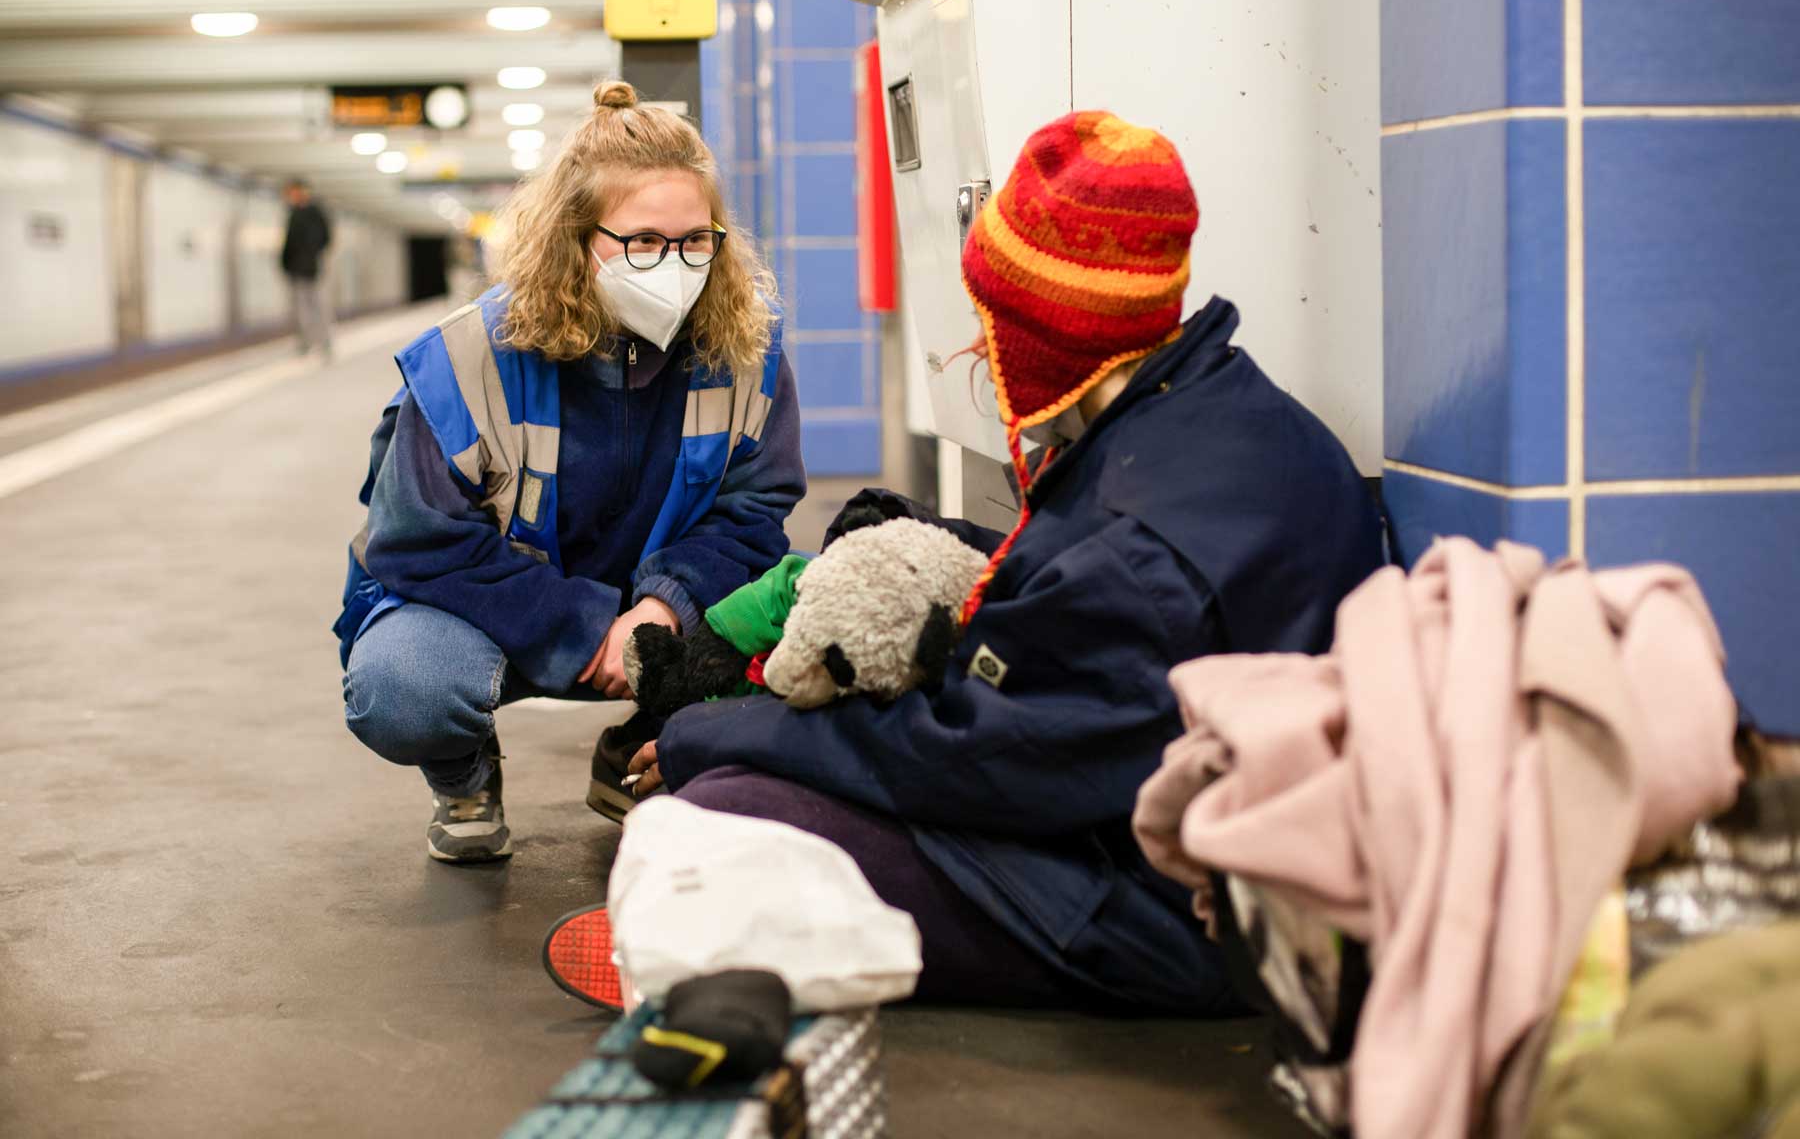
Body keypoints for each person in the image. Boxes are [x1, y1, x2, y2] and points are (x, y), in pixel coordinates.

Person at [614, 111, 1386, 1012]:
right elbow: (1070, 606)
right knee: (769, 759)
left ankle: (712, 953)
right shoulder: (1207, 410)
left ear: (1049, 330)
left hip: (1169, 913)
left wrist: (722, 730)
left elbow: (971, 755)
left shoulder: (1144, 553)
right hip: (1149, 810)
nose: (980, 346)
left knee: (733, 800)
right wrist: (923, 537)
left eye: (999, 318)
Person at [335, 81, 805, 864]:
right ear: (576, 241)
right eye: (644, 243)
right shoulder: (468, 359)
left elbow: (755, 512)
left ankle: (652, 747)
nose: (677, 268)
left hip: (667, 619)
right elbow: (418, 545)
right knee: (403, 687)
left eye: (697, 241)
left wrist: (663, 610)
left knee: (817, 627)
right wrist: (585, 632)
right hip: (506, 616)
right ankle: (464, 775)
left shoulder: (743, 346)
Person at [280, 178, 334, 358]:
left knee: (316, 305)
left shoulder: (314, 211)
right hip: (297, 268)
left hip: (311, 267)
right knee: (301, 307)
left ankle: (323, 342)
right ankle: (307, 342)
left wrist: (311, 255)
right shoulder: (293, 212)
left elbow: (324, 238)